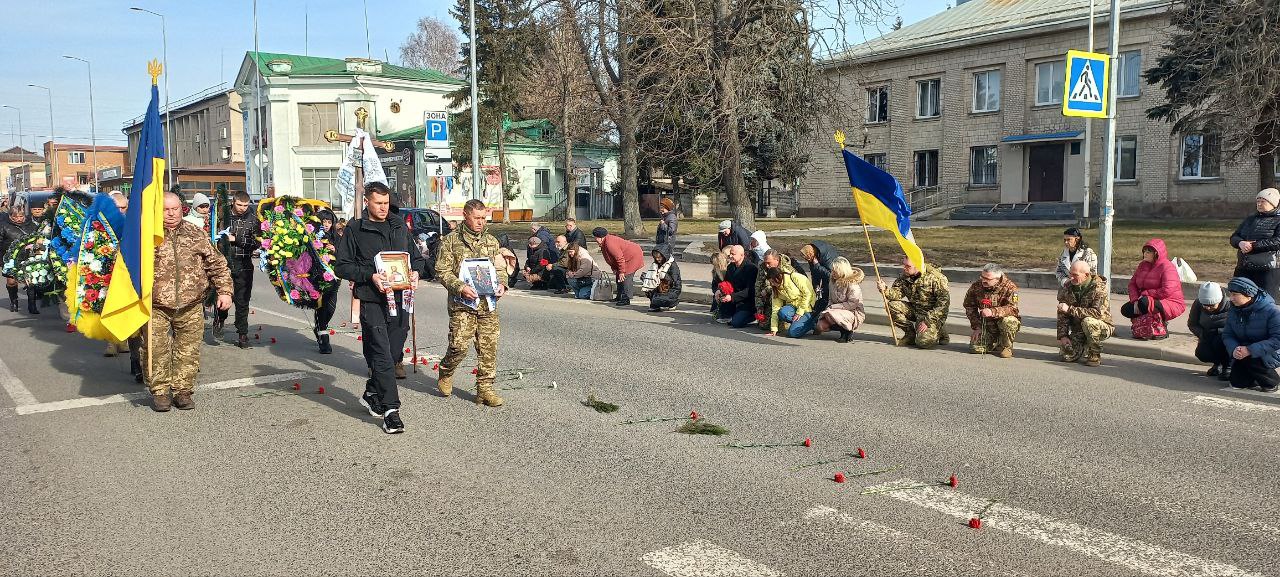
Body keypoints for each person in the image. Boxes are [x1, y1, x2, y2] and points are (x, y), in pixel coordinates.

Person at [334, 182, 424, 433]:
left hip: (401, 298)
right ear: (367, 203)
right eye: (378, 203)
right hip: (372, 298)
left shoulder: (398, 225)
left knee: (394, 350)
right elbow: (341, 266)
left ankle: (372, 392)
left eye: (386, 203)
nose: (383, 208)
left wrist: (416, 272)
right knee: (382, 354)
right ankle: (391, 410)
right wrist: (370, 275)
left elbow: (415, 258)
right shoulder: (355, 228)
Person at [141, 193, 233, 411]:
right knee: (155, 349)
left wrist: (225, 292)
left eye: (175, 209)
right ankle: (161, 392)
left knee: (188, 349)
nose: (172, 213)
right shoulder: (146, 235)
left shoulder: (195, 234)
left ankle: (183, 391)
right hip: (156, 305)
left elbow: (217, 264)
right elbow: (127, 266)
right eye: (166, 209)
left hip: (190, 304)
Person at [435, 198, 509, 407]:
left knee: (488, 348)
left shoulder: (492, 242)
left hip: (487, 304)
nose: (481, 222)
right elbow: (442, 271)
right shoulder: (450, 241)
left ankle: (484, 389)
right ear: (465, 216)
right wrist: (459, 287)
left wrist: (502, 284)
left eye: (483, 218)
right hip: (462, 305)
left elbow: (501, 268)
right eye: (476, 218)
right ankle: (446, 370)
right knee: (458, 346)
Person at [214, 191, 260, 348]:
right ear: (233, 202)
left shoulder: (253, 220)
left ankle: (242, 334)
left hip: (244, 263)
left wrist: (237, 239)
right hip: (223, 263)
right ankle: (220, 318)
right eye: (240, 205)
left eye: (246, 205)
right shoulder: (222, 216)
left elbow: (256, 243)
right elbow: (212, 234)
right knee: (223, 296)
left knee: (242, 300)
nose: (242, 208)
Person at [1222, 277, 1280, 392]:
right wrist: (1234, 349)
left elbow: (1278, 339)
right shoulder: (1234, 310)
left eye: (1235, 294)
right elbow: (1227, 334)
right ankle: (1252, 378)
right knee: (1237, 384)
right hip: (1243, 350)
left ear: (1249, 295)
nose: (1231, 298)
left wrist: (1250, 350)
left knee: (1254, 361)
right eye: (1230, 294)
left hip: (1268, 352)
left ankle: (1272, 381)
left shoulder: (1272, 311)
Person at [879, 257, 950, 349]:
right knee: (892, 306)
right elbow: (896, 294)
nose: (904, 268)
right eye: (904, 265)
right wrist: (884, 289)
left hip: (931, 315)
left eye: (908, 266)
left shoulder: (936, 278)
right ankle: (910, 334)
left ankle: (939, 330)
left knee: (923, 342)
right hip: (915, 310)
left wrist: (927, 321)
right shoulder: (905, 277)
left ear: (918, 266)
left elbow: (943, 305)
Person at [1122, 239, 1186, 339]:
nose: (1145, 254)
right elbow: (1132, 284)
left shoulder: (1167, 267)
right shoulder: (1142, 265)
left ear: (1156, 253)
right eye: (1144, 251)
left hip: (1170, 301)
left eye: (1149, 252)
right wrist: (1134, 299)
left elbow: (1167, 290)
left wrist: (1146, 294)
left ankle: (1160, 325)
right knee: (1127, 309)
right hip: (1145, 298)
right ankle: (1143, 325)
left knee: (1144, 303)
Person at [1056, 260, 1114, 367]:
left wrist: (1070, 309)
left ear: (1086, 275)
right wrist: (1063, 336)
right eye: (1070, 274)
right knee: (1066, 355)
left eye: (1075, 275)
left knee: (1088, 321)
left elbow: (1096, 313)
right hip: (1079, 329)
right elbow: (1062, 314)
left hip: (1101, 325)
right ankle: (1083, 347)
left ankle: (1094, 353)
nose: (1071, 277)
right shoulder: (1067, 288)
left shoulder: (1098, 288)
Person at [1229, 188, 1280, 300]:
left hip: (1266, 270)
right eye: (1258, 201)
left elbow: (1278, 241)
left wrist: (1254, 246)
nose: (1259, 204)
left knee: (1265, 303)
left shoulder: (1278, 220)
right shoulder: (1250, 219)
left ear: (1273, 203)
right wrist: (1240, 243)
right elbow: (1234, 236)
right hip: (1244, 267)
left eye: (1263, 201)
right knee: (1239, 300)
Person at [962, 263, 1022, 358]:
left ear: (997, 279)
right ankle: (993, 342)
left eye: (988, 279)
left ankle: (1006, 346)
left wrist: (993, 312)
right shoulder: (976, 286)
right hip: (986, 325)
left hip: (1003, 324)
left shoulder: (1010, 287)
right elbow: (969, 306)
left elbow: (1013, 308)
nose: (983, 281)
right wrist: (977, 327)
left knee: (1009, 321)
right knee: (975, 348)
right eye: (982, 277)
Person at [815, 257, 865, 343]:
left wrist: (833, 308)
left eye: (835, 271)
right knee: (821, 325)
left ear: (842, 271)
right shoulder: (832, 282)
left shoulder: (852, 284)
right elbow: (830, 299)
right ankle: (842, 328)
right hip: (836, 310)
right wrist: (828, 308)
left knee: (831, 314)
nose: (832, 273)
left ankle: (847, 331)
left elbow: (853, 303)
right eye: (832, 270)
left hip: (853, 312)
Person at [313, 208, 342, 354]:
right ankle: (323, 338)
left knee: (330, 308)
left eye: (329, 222)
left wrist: (334, 249)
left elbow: (343, 254)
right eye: (323, 221)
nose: (326, 224)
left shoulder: (336, 237)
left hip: (334, 278)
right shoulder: (312, 235)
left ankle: (320, 327)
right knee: (320, 307)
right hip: (317, 278)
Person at [1188, 281, 1230, 380]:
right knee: (1201, 354)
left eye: (1211, 305)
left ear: (1219, 301)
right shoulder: (1198, 304)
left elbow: (1237, 327)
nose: (1208, 308)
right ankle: (1217, 364)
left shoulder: (1231, 305)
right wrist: (1202, 334)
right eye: (1205, 305)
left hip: (1226, 337)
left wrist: (1218, 331)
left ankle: (1228, 366)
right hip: (1207, 335)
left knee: (1219, 342)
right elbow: (1192, 324)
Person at [0, 202, 37, 313]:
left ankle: (32, 305)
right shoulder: (4, 226)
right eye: (15, 216)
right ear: (10, 216)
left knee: (30, 281)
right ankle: (14, 301)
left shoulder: (32, 225)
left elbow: (38, 239)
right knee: (12, 282)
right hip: (11, 259)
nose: (19, 219)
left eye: (21, 216)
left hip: (29, 258)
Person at [593, 227, 644, 306]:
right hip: (626, 257)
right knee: (618, 277)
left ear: (599, 237)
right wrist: (615, 269)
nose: (595, 239)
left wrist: (622, 272)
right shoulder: (605, 242)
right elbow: (610, 258)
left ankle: (626, 298)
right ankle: (619, 296)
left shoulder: (609, 243)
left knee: (625, 278)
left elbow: (619, 258)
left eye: (595, 237)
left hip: (632, 257)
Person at [754, 250, 801, 329]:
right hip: (770, 299)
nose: (767, 265)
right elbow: (758, 286)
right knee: (764, 326)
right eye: (765, 262)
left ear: (777, 260)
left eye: (769, 262)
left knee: (782, 327)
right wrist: (759, 307)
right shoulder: (763, 267)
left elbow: (788, 289)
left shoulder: (787, 269)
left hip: (787, 300)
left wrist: (768, 289)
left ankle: (791, 320)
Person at [766, 265, 816, 338]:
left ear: (779, 276)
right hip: (793, 307)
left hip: (807, 307)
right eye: (771, 282)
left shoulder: (795, 277)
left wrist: (800, 312)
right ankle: (800, 323)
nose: (772, 284)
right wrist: (774, 328)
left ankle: (812, 323)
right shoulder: (775, 288)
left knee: (793, 333)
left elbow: (808, 294)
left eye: (773, 281)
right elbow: (775, 308)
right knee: (782, 312)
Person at [717, 246, 758, 328]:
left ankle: (754, 316)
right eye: (730, 254)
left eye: (733, 254)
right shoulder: (730, 267)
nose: (731, 256)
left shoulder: (751, 268)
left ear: (742, 255)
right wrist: (719, 290)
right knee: (723, 317)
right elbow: (726, 283)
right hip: (733, 300)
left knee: (736, 323)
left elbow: (749, 291)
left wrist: (732, 297)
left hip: (746, 302)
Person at [801, 240, 840, 311]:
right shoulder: (813, 256)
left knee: (826, 295)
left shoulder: (827, 256)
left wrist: (817, 265)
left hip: (835, 281)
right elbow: (814, 273)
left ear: (810, 254)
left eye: (805, 256)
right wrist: (816, 286)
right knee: (821, 297)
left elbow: (830, 276)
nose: (804, 258)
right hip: (824, 274)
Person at [643, 244, 681, 311]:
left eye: (659, 257)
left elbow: (675, 282)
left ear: (664, 256)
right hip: (660, 286)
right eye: (655, 257)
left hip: (672, 288)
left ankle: (672, 303)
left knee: (661, 297)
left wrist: (664, 276)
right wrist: (647, 278)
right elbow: (653, 277)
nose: (657, 259)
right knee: (649, 286)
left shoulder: (672, 265)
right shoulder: (655, 265)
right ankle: (655, 304)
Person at [709, 247, 732, 316]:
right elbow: (714, 284)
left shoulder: (729, 269)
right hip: (719, 292)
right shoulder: (715, 271)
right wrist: (716, 290)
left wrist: (721, 290)